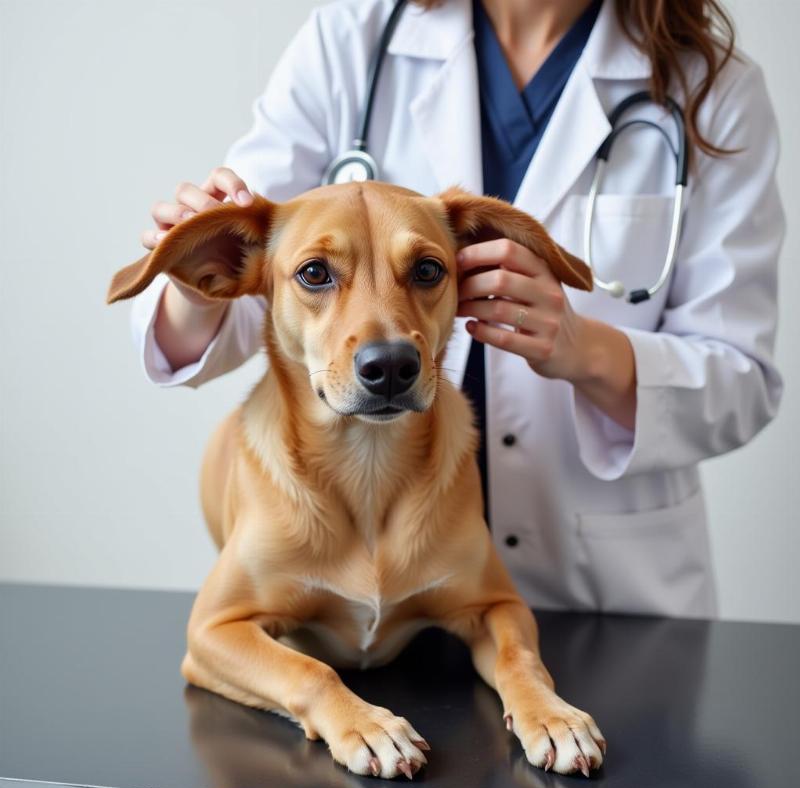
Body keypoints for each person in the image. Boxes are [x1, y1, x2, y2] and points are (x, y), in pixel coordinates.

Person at [129, 0, 784, 618]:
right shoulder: (357, 37)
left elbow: (743, 383)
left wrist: (585, 351)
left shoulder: (712, 89)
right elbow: (268, 282)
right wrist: (193, 284)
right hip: (362, 594)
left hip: (605, 596)